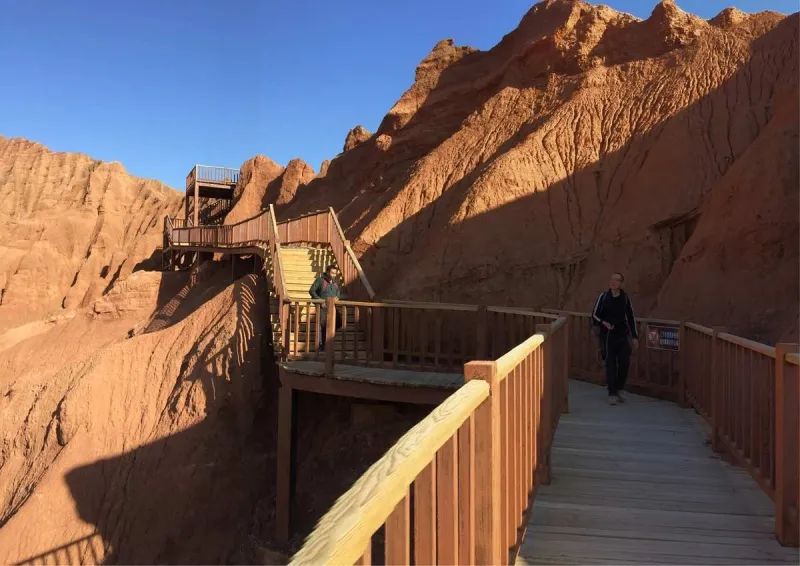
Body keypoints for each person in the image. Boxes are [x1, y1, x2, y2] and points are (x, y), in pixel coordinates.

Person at [591, 272, 639, 405]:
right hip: (608, 335)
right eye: (612, 279)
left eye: (617, 280)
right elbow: (594, 315)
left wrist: (634, 336)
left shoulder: (625, 298)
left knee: (624, 362)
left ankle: (619, 388)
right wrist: (604, 323)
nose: (613, 282)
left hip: (622, 334)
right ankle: (612, 392)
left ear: (621, 283)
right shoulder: (603, 297)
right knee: (610, 364)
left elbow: (631, 317)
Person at [309, 264, 342, 350]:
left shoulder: (335, 282)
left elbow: (338, 291)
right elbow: (312, 291)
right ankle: (321, 344)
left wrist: (337, 297)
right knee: (322, 325)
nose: (333, 275)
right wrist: (320, 300)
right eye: (332, 273)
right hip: (322, 307)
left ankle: (328, 339)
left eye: (335, 273)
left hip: (332, 307)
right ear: (327, 272)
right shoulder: (320, 280)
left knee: (339, 322)